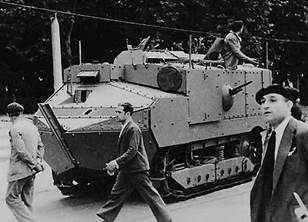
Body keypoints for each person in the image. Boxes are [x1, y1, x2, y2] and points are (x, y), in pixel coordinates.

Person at [96, 102, 172, 222]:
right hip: (127, 170)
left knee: (150, 195)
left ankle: (166, 219)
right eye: (116, 112)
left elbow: (132, 150)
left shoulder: (133, 128)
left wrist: (116, 163)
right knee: (116, 194)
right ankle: (107, 219)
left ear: (127, 113)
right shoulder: (126, 127)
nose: (116, 115)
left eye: (119, 112)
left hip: (137, 170)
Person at [250, 84, 308, 222]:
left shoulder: (303, 133)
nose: (265, 105)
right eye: (263, 101)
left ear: (289, 105)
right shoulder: (270, 138)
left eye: (273, 100)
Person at [5, 102, 44, 222]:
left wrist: (34, 165)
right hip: (32, 170)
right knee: (27, 200)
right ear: (21, 113)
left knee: (11, 198)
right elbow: (40, 146)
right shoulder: (31, 126)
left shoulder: (15, 128)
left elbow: (21, 151)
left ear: (8, 115)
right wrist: (38, 162)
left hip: (19, 170)